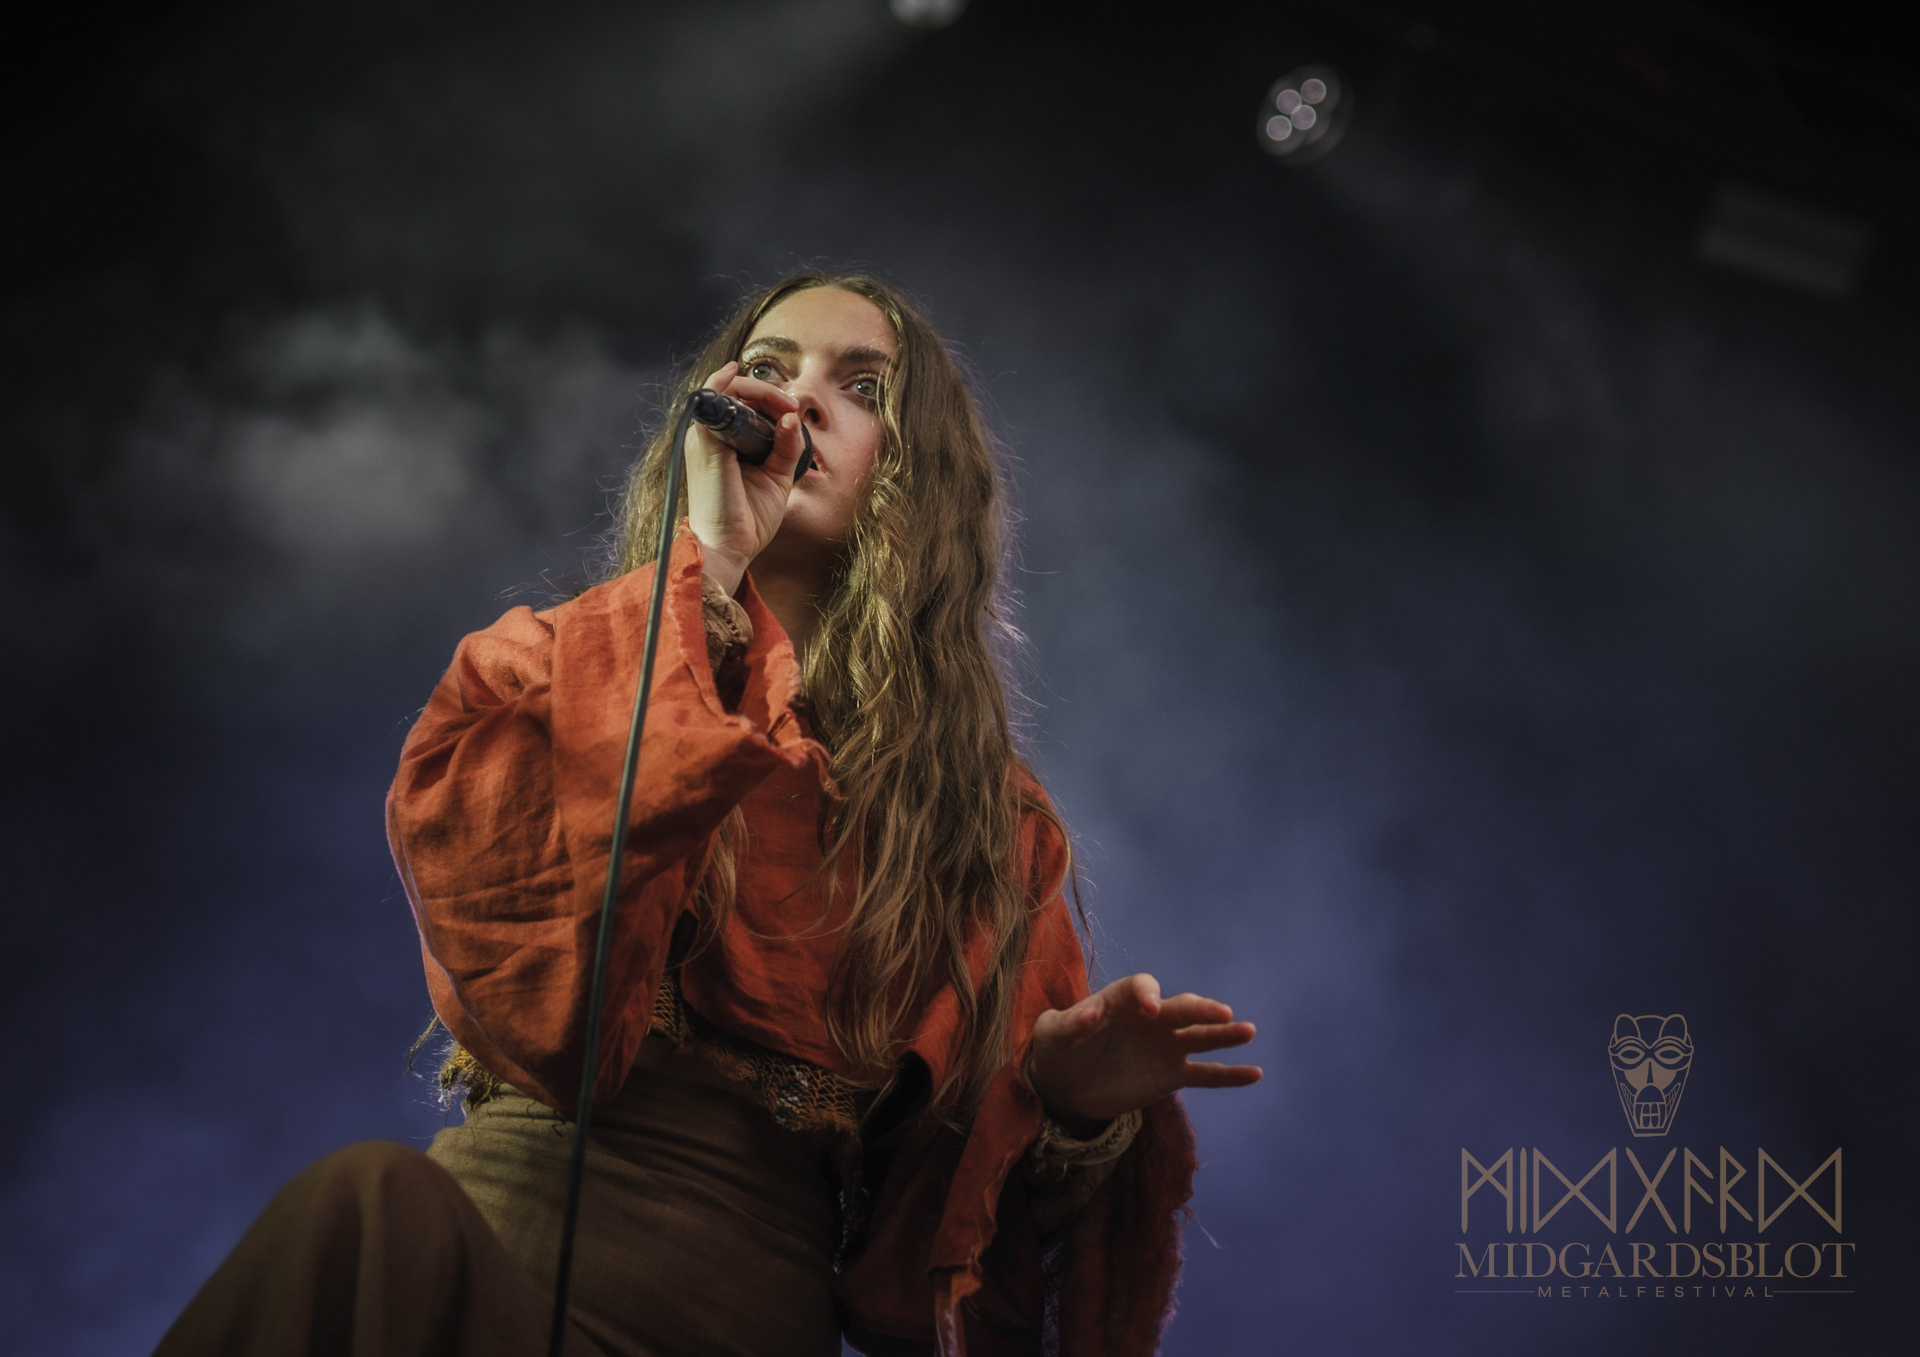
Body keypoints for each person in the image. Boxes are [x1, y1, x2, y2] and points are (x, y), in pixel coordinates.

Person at [154, 272, 1261, 1357]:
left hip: (748, 1313)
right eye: (771, 367)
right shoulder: (555, 663)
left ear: (918, 472)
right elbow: (531, 989)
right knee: (361, 1205)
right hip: (480, 1278)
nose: (800, 395)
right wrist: (712, 562)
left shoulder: (985, 827)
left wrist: (1065, 1104)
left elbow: (927, 1295)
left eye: (862, 387)